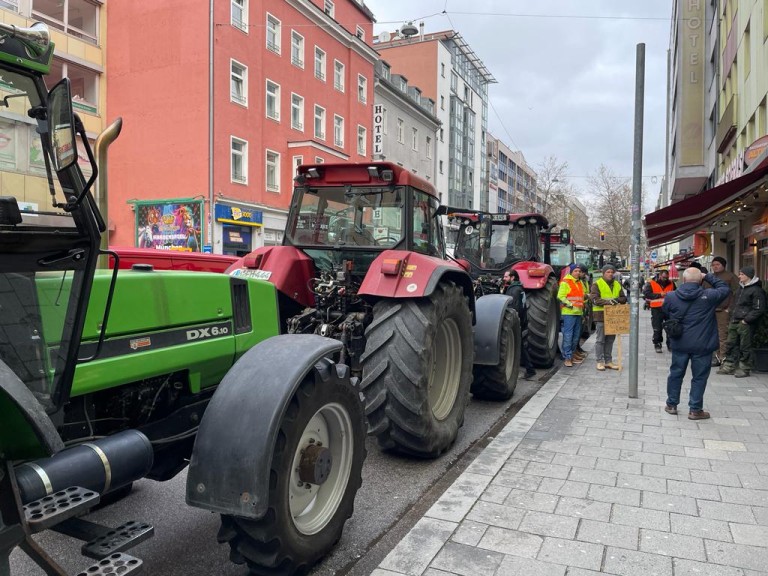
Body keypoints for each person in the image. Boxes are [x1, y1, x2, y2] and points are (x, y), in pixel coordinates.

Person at [663, 268, 730, 419]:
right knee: (699, 377)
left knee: (675, 373)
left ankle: (672, 404)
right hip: (703, 344)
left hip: (680, 342)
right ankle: (695, 409)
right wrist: (709, 277)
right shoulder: (709, 296)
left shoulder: (671, 296)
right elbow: (725, 288)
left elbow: (666, 312)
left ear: (684, 280)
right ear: (701, 280)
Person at [717, 266, 766, 378]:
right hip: (735, 320)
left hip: (746, 322)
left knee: (745, 346)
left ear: (748, 276)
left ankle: (744, 368)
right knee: (730, 343)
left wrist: (746, 320)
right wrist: (730, 312)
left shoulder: (757, 291)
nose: (739, 276)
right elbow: (735, 303)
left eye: (742, 274)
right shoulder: (740, 288)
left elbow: (759, 308)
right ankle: (729, 365)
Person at [590, 264, 627, 371]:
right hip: (600, 315)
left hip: (613, 316)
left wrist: (616, 300)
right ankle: (599, 361)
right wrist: (610, 302)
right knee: (600, 340)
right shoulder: (596, 284)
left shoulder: (617, 284)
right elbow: (595, 299)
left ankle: (608, 361)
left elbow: (623, 298)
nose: (610, 274)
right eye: (608, 272)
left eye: (612, 272)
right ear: (603, 273)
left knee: (610, 340)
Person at [503, 269, 537, 380]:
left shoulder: (514, 290)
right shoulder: (519, 288)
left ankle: (529, 369)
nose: (504, 279)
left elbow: (513, 307)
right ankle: (529, 369)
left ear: (512, 278)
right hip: (522, 321)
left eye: (506, 277)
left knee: (520, 346)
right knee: (521, 346)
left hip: (517, 322)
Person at [709, 256, 739, 366]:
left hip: (723, 311)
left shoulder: (730, 276)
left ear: (723, 265)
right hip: (710, 311)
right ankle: (716, 357)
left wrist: (729, 308)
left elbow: (737, 293)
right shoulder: (709, 277)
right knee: (713, 335)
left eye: (717, 264)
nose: (715, 267)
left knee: (723, 335)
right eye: (713, 265)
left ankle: (724, 358)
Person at [557, 263, 585, 367]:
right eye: (575, 271)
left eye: (579, 271)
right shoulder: (566, 282)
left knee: (576, 336)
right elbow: (560, 296)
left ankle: (572, 354)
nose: (577, 273)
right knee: (568, 336)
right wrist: (570, 305)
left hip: (578, 312)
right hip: (569, 313)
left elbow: (580, 296)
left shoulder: (579, 282)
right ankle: (567, 358)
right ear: (571, 272)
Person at [643, 269, 676, 353]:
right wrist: (659, 295)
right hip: (656, 308)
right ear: (660, 276)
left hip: (669, 308)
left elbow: (675, 293)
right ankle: (657, 344)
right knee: (657, 327)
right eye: (664, 277)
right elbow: (647, 294)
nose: (665, 279)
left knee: (670, 327)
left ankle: (670, 344)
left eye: (667, 277)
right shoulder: (651, 283)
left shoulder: (671, 283)